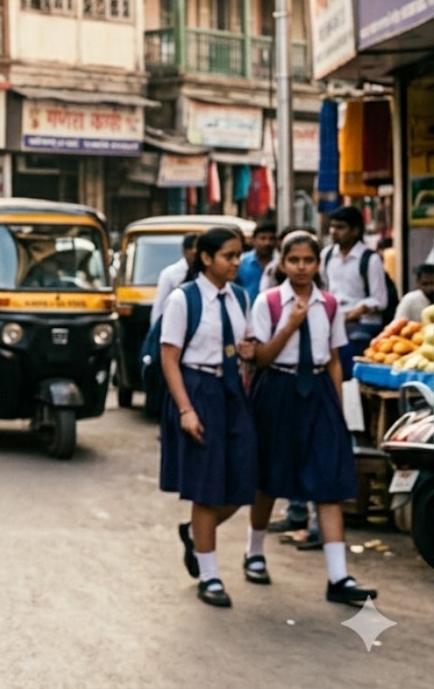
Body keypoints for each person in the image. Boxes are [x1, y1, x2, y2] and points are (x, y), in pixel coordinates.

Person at [243, 231, 378, 606]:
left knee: (328, 479)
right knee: (269, 476)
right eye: (294, 260)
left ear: (318, 264)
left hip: (317, 392)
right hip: (278, 389)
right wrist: (289, 325)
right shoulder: (268, 303)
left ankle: (338, 576)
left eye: (309, 261)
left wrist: (336, 407)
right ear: (283, 264)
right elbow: (261, 359)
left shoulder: (330, 304)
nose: (302, 268)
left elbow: (334, 359)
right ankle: (253, 552)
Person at [158, 227, 258, 608]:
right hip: (198, 389)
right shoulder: (184, 299)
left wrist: (249, 350)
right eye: (229, 256)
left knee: (244, 479)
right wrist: (186, 409)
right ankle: (211, 576)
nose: (236, 263)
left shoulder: (240, 297)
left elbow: (243, 344)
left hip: (232, 392)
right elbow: (170, 357)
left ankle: (195, 536)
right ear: (206, 258)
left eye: (238, 256)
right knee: (206, 486)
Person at [323, 206, 387, 377]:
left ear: (355, 230)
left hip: (362, 326)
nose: (334, 231)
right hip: (334, 322)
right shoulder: (327, 255)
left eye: (340, 227)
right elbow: (324, 288)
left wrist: (355, 311)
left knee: (353, 370)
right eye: (332, 226)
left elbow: (380, 299)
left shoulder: (370, 259)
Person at [150, 232, 200, 323]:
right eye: (192, 250)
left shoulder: (206, 273)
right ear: (184, 251)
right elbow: (159, 306)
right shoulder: (169, 274)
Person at [236, 221, 277, 300]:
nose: (267, 243)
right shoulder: (241, 261)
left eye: (271, 239)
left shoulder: (280, 264)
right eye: (263, 238)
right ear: (253, 240)